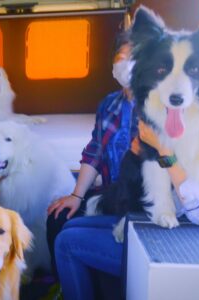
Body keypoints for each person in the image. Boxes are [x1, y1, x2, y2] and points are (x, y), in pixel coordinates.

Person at [54, 119, 199, 300]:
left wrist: (162, 149)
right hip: (173, 218)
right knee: (70, 226)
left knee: (67, 242)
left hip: (188, 240)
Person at [46, 34, 137, 273]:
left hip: (137, 203)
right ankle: (61, 286)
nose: (127, 65)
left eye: (135, 58)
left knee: (71, 236)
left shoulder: (157, 107)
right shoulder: (109, 105)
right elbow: (94, 152)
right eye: (121, 58)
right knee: (58, 218)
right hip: (108, 196)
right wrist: (76, 196)